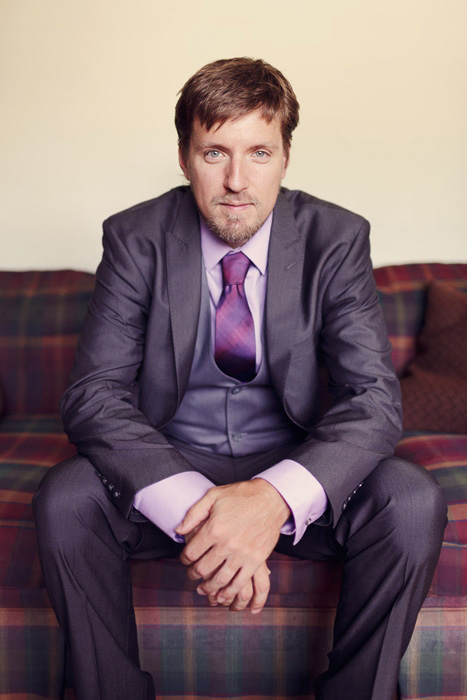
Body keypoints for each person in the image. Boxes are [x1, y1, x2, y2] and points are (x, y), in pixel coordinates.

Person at [33, 57, 446, 700]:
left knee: (412, 499)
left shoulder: (335, 238)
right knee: (66, 498)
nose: (236, 180)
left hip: (293, 458)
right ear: (182, 157)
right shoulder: (135, 236)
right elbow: (94, 394)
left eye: (258, 151)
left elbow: (372, 400)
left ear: (285, 157)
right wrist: (202, 512)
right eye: (214, 152)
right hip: (170, 457)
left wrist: (270, 501)